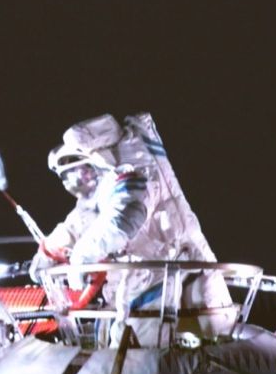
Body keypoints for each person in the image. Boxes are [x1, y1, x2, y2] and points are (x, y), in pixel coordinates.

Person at [30, 113, 236, 347]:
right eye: (65, 177)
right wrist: (46, 255)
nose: (74, 182)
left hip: (162, 272)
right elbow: (78, 225)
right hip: (134, 279)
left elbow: (125, 217)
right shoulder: (101, 193)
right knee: (110, 340)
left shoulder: (134, 175)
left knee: (141, 347)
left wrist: (83, 256)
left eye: (77, 172)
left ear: (94, 162)